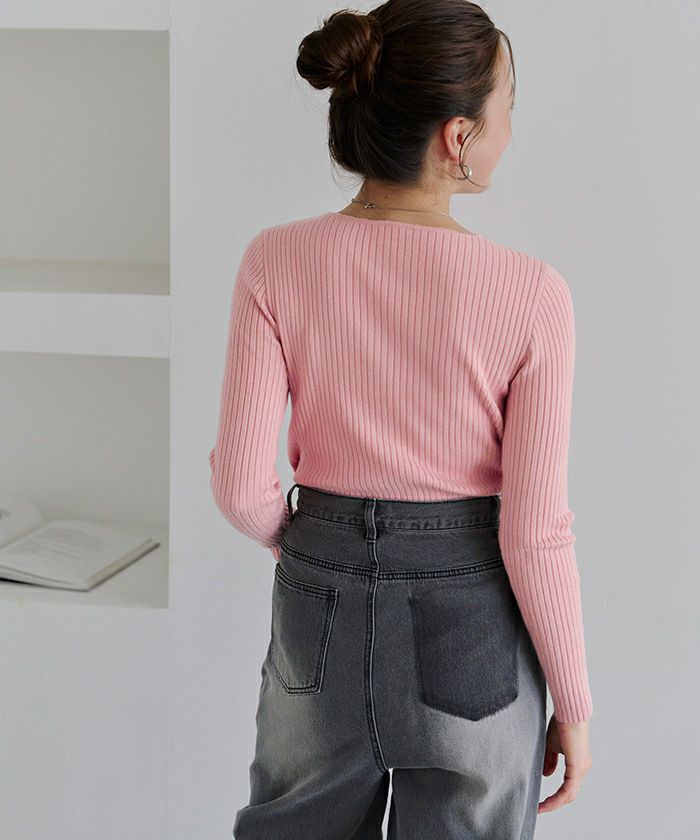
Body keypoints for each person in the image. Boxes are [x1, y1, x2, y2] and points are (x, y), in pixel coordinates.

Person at [209, 1, 593, 837]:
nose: (510, 130)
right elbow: (534, 533)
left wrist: (314, 548)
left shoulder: (275, 260)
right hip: (470, 615)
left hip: (319, 590)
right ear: (458, 136)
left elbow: (239, 488)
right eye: (508, 107)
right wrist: (573, 701)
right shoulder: (532, 294)